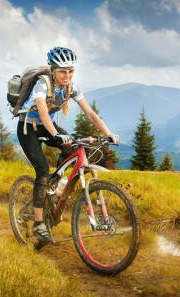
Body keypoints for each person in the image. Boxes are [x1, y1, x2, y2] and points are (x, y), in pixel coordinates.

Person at [17, 46, 119, 244]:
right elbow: (44, 114)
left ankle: (57, 184)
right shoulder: (42, 84)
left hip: (49, 127)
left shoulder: (72, 87)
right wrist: (56, 134)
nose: (67, 75)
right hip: (29, 128)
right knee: (42, 170)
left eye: (71, 71)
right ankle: (38, 223)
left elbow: (90, 113)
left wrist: (108, 134)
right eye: (63, 71)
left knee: (74, 148)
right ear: (53, 70)